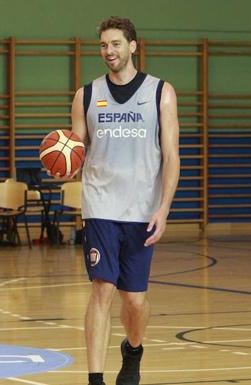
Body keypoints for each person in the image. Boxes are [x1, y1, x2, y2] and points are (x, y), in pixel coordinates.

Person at [70, 17, 180, 385]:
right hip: (100, 205)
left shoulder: (161, 92)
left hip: (142, 209)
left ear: (133, 46)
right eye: (103, 45)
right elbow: (76, 150)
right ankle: (95, 379)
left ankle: (133, 351)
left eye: (115, 44)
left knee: (134, 300)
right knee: (102, 288)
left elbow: (171, 155)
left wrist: (163, 208)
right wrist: (64, 162)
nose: (109, 51)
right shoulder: (86, 95)